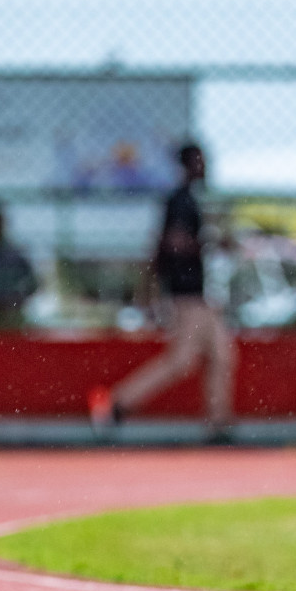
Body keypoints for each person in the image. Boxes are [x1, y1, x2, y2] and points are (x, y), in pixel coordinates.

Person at [89, 143, 236, 440]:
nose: (204, 167)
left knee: (221, 355)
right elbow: (173, 243)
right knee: (182, 360)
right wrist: (209, 244)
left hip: (198, 293)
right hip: (186, 293)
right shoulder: (181, 200)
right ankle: (116, 403)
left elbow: (160, 247)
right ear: (187, 165)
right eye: (199, 162)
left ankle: (218, 423)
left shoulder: (189, 200)